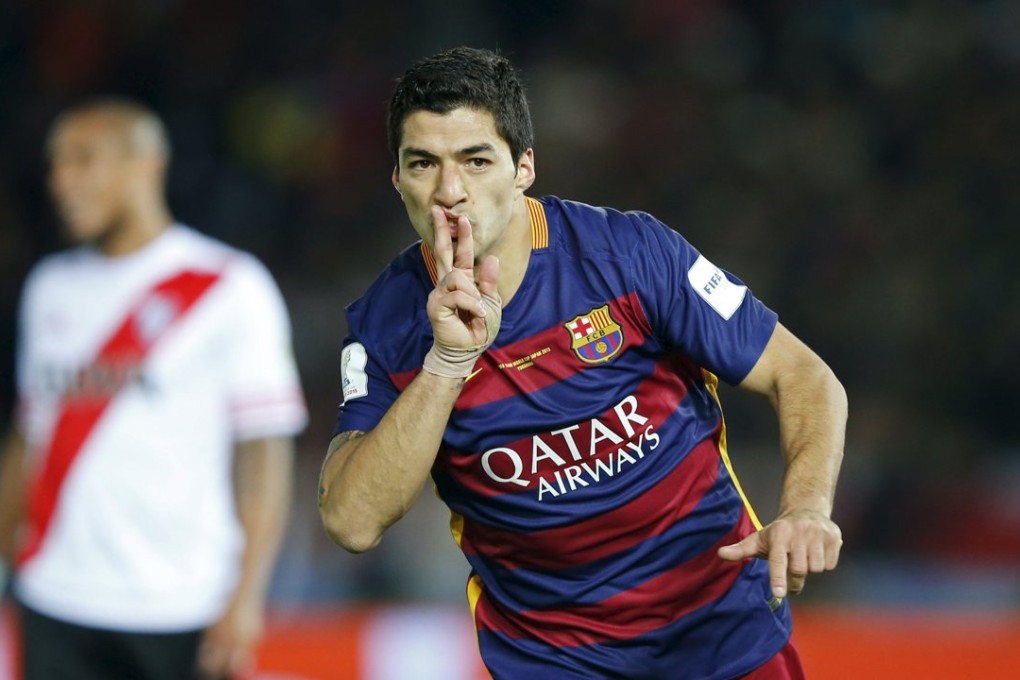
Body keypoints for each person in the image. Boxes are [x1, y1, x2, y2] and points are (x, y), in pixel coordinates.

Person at [318, 47, 847, 679]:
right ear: (397, 179)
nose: (449, 191)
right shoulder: (385, 327)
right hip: (554, 660)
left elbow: (804, 376)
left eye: (476, 160)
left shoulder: (629, 256)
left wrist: (807, 507)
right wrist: (445, 364)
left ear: (523, 169)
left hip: (719, 632)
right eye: (423, 163)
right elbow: (351, 520)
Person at [0, 98, 308, 680]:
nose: (62, 181)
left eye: (83, 159)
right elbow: (29, 435)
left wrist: (247, 596)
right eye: (56, 164)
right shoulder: (49, 288)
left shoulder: (227, 285)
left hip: (180, 600)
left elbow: (264, 453)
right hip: (53, 595)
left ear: (145, 164)